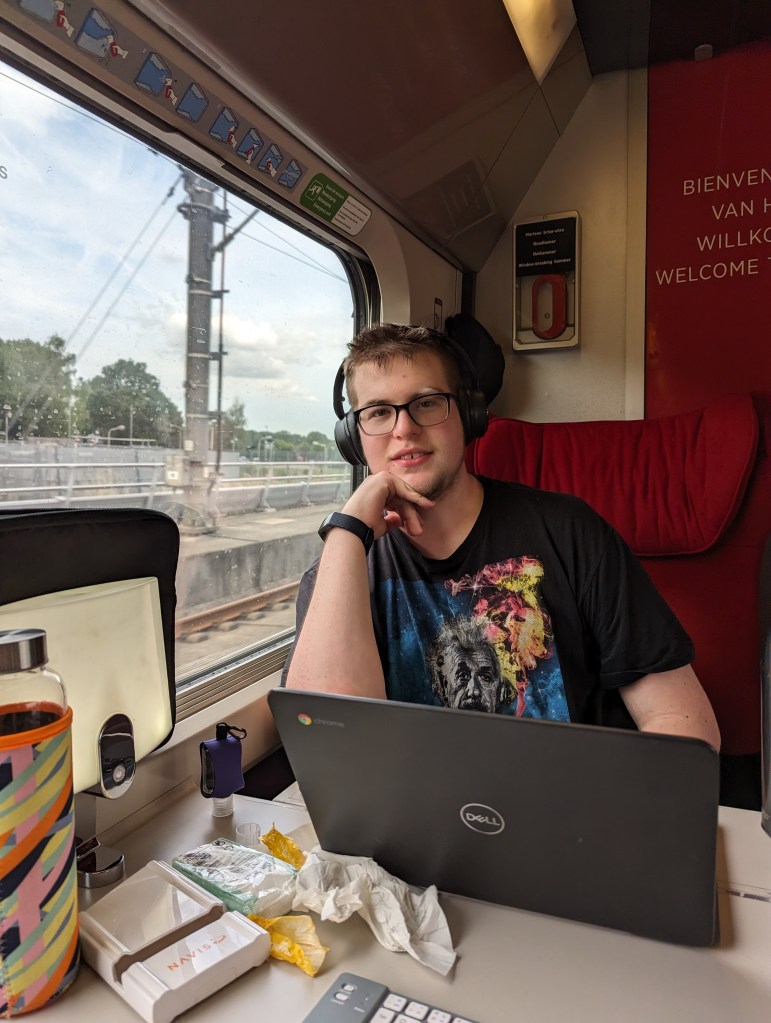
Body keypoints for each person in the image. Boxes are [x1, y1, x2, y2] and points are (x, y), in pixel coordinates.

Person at [283, 323, 720, 749]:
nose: (404, 429)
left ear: (469, 415)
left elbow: (683, 721)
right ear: (353, 438)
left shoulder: (572, 532)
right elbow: (328, 743)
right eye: (379, 412)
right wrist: (347, 531)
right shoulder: (341, 570)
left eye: (427, 403)